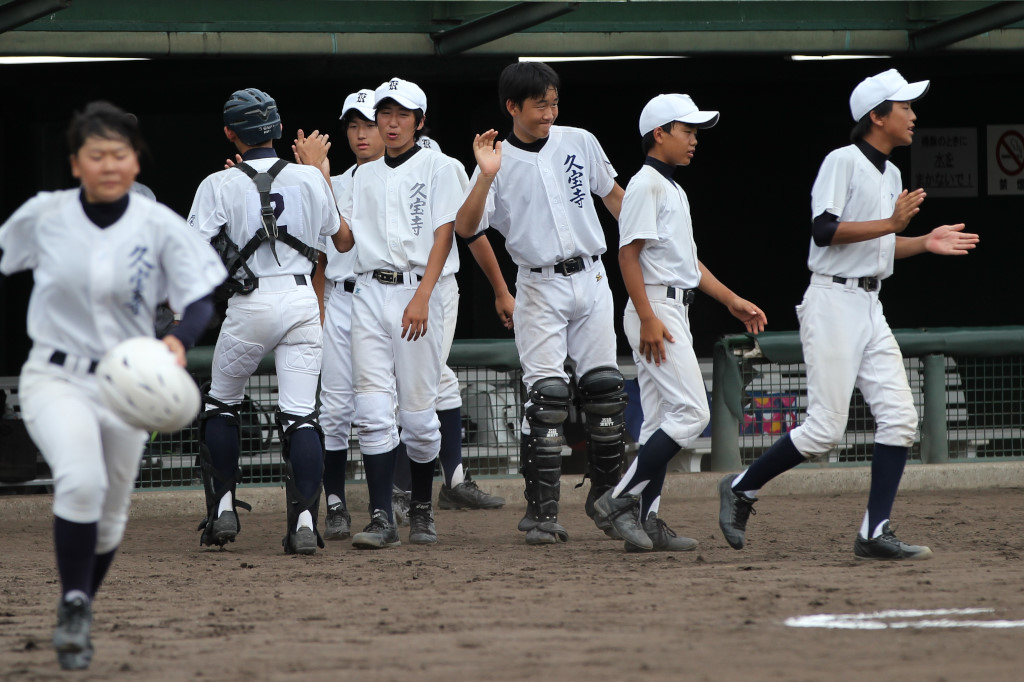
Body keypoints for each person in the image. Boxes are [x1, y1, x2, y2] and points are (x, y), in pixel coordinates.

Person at [717, 69, 979, 560]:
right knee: (824, 429)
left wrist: (922, 241)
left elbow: (879, 243)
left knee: (900, 419)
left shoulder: (893, 173)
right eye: (904, 107)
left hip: (868, 303)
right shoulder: (842, 159)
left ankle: (873, 532)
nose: (913, 114)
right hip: (832, 300)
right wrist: (893, 223)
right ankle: (742, 488)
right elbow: (823, 230)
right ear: (877, 116)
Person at [0, 102, 225, 670]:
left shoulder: (157, 224)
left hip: (128, 382)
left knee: (113, 513)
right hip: (56, 374)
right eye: (95, 155)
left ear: (136, 160)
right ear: (75, 163)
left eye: (119, 154)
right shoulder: (45, 215)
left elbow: (199, 295)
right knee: (80, 481)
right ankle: (74, 604)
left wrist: (178, 340)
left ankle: (80, 601)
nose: (108, 164)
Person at [456, 61, 627, 545]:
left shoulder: (579, 140)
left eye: (554, 102)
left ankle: (608, 498)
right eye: (540, 104)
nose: (550, 111)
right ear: (512, 106)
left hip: (592, 274)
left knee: (605, 390)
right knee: (548, 398)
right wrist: (486, 176)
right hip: (539, 283)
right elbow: (467, 228)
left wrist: (649, 237)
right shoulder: (494, 159)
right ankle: (541, 512)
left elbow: (614, 198)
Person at [595, 94, 767, 551]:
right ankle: (619, 499)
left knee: (658, 423)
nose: (694, 140)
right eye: (686, 131)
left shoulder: (672, 187)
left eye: (695, 132)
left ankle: (648, 521)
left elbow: (688, 263)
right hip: (655, 309)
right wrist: (649, 317)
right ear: (659, 133)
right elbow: (626, 256)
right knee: (693, 413)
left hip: (672, 306)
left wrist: (731, 299)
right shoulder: (646, 184)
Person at [187, 88, 343, 556]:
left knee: (222, 405)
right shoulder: (312, 178)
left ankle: (223, 512)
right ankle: (302, 524)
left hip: (249, 306)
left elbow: (192, 252)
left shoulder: (218, 182)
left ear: (231, 134)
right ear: (277, 130)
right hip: (300, 301)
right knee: (301, 415)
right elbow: (339, 238)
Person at [336, 77, 466, 549]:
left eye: (402, 115)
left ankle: (423, 509)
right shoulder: (361, 174)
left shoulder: (441, 165)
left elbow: (445, 234)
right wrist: (317, 178)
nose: (390, 124)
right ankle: (380, 516)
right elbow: (344, 241)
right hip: (370, 291)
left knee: (417, 416)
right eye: (384, 114)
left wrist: (423, 295)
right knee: (371, 408)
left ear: (420, 121)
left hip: (417, 289)